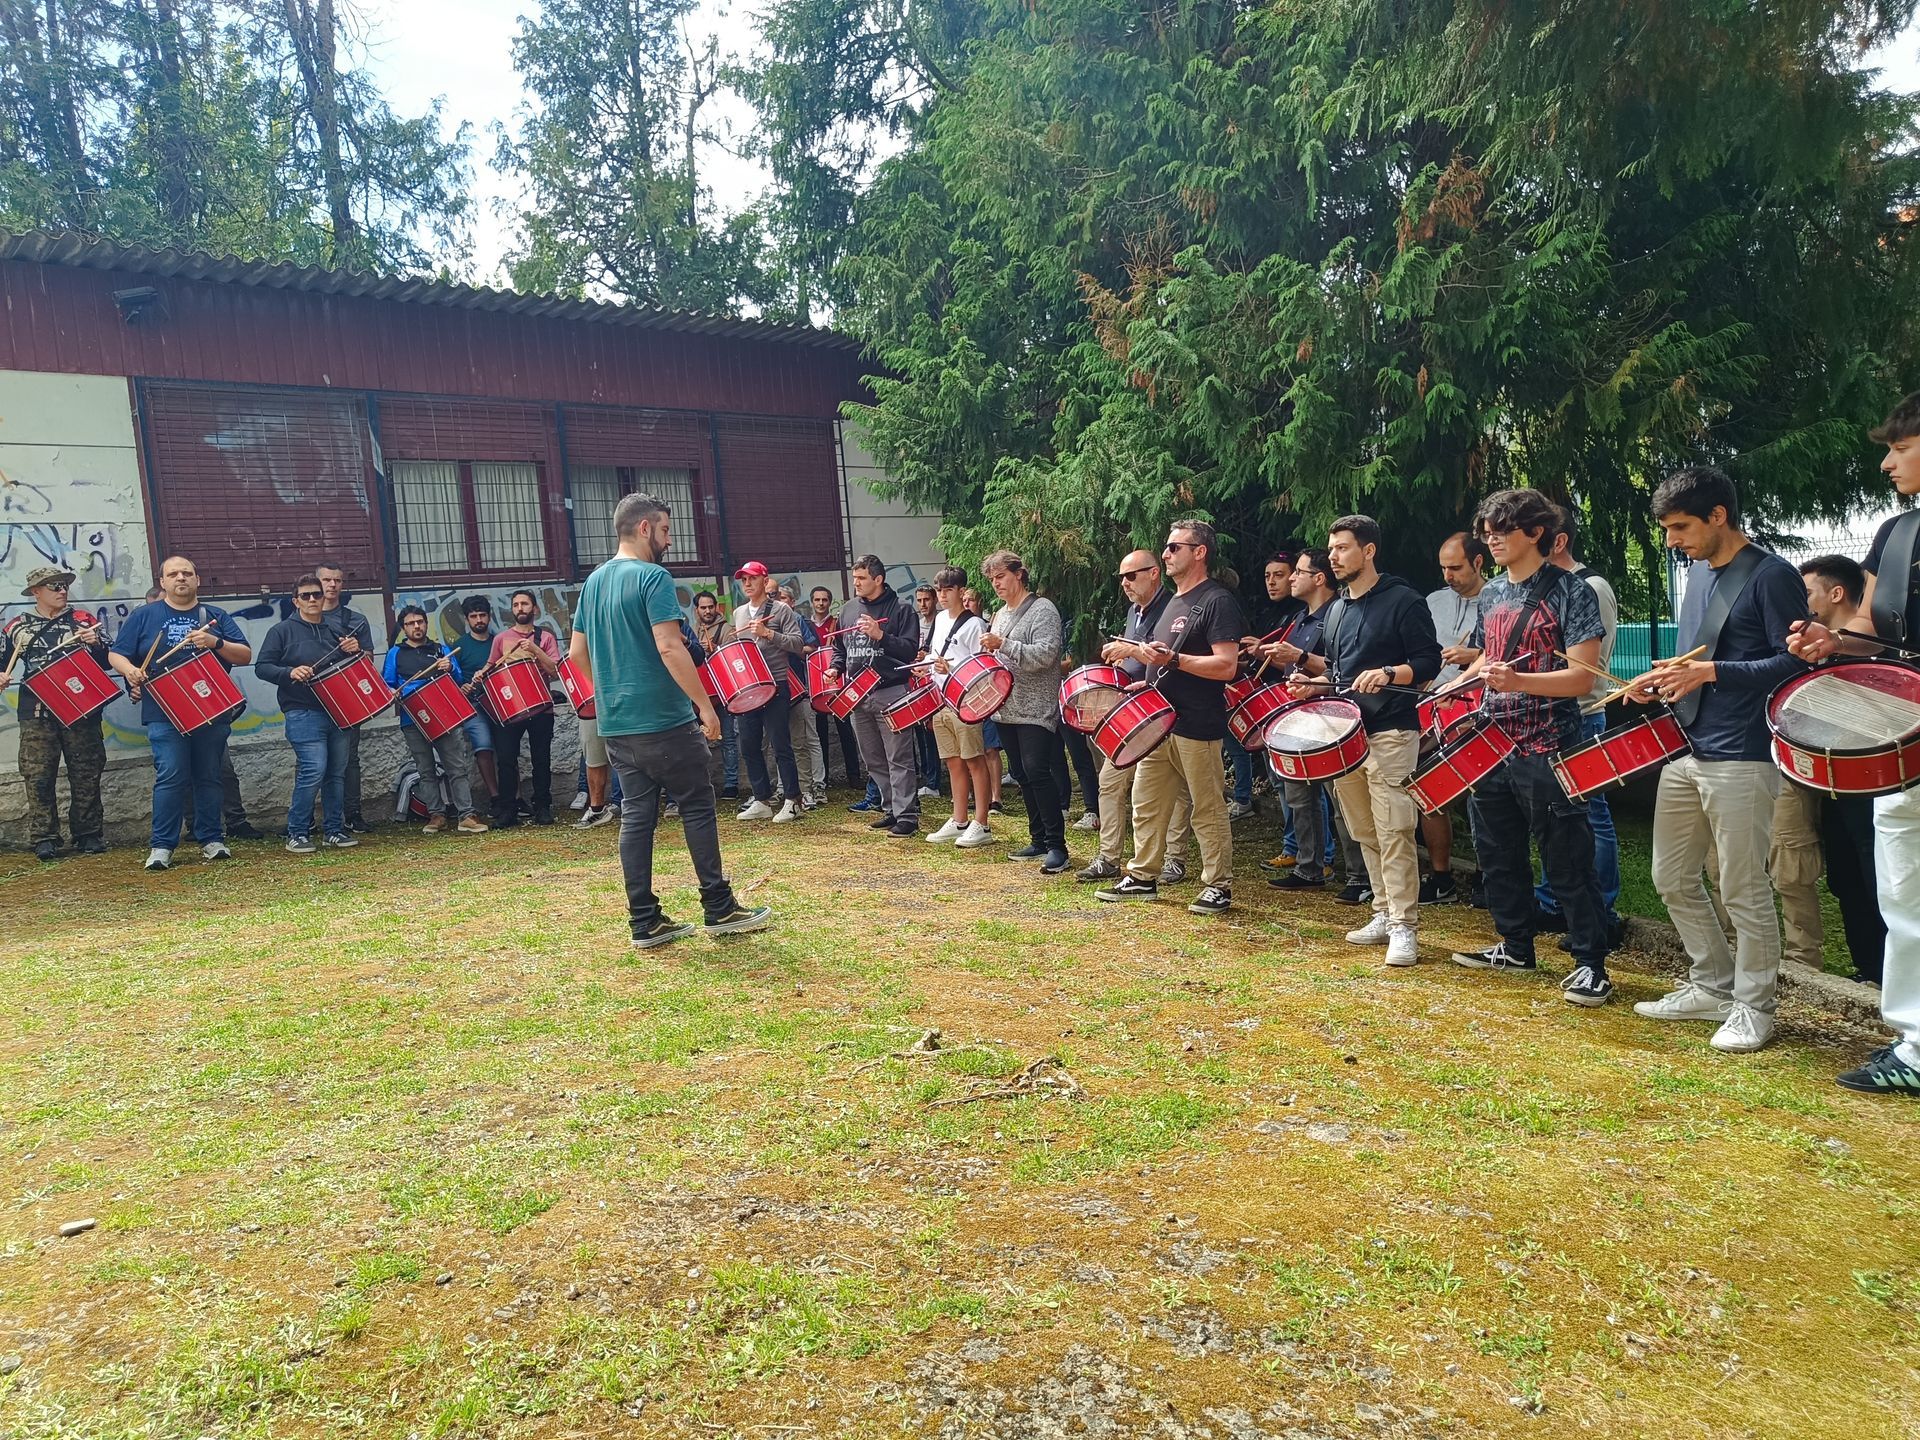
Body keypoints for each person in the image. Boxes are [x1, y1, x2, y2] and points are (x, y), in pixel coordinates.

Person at [1628, 467, 1807, 1053]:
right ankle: (1712, 984)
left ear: (1718, 516)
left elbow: (1796, 664)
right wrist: (1662, 680)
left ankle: (1754, 1007)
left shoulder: (1772, 575)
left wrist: (1710, 672)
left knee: (1742, 888)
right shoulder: (1699, 574)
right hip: (1685, 746)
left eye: (1681, 527)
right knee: (1671, 877)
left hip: (1743, 755)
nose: (1672, 541)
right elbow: (1695, 664)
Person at [1788, 391, 1920, 1092]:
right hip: (1900, 739)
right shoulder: (1896, 533)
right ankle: (1915, 1045)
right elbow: (1872, 627)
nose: (1887, 462)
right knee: (1903, 891)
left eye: (1901, 447)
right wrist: (1832, 641)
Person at [570, 491, 770, 948]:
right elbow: (669, 646)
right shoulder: (653, 577)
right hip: (663, 720)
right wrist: (705, 705)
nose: (669, 539)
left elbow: (577, 653)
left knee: (636, 817)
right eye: (664, 529)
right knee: (697, 806)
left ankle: (644, 920)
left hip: (618, 724)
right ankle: (718, 907)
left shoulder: (593, 582)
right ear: (644, 528)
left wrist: (612, 690)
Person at [1440, 490, 1613, 1006]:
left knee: (1567, 858)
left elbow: (1583, 678)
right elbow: (1489, 656)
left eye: (1502, 531)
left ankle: (1591, 964)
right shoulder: (1493, 592)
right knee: (1496, 851)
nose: (1490, 540)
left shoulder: (1572, 591)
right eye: (1487, 532)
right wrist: (1455, 685)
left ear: (1536, 532)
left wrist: (1518, 682)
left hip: (1550, 743)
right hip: (1492, 742)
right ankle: (1515, 945)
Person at [1286, 515, 1442, 966]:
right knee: (1364, 830)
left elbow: (1428, 662)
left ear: (1368, 551)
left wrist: (1390, 673)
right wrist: (1311, 686)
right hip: (1345, 736)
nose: (1333, 557)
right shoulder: (1336, 609)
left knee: (1394, 828)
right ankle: (1383, 911)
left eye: (1342, 548)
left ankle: (1405, 926)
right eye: (1331, 548)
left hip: (1392, 729)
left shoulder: (1404, 600)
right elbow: (1338, 674)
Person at [1096, 519, 1245, 914]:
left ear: (1200, 552)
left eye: (1175, 547)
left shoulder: (1216, 600)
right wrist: (1146, 683)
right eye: (1165, 547)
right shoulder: (1173, 603)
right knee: (1146, 802)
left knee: (1207, 808)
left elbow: (1226, 665)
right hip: (1158, 723)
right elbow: (1161, 662)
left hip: (1197, 724)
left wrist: (1174, 660)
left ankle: (1218, 885)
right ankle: (1143, 876)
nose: (1166, 554)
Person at [109, 555, 252, 871]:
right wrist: (131, 671)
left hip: (210, 708)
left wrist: (214, 642)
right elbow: (116, 654)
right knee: (171, 775)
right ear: (163, 582)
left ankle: (211, 839)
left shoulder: (214, 616)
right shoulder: (144, 615)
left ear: (197, 580)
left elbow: (244, 655)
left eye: (187, 573)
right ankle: (162, 845)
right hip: (164, 711)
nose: (181, 578)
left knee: (209, 775)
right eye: (173, 574)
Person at [1786, 555, 1883, 981]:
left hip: (1874, 783)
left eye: (1808, 592)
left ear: (1837, 593)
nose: (1801, 603)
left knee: (1877, 871)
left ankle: (1891, 970)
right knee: (1845, 876)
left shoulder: (1879, 658)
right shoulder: (1817, 654)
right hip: (1830, 784)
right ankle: (1868, 968)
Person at [1533, 510, 1624, 944]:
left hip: (1583, 715)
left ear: (1558, 541)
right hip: (1549, 718)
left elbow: (1591, 664)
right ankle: (1554, 902)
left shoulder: (1591, 586)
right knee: (1556, 815)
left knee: (1592, 814)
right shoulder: (1544, 587)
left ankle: (1601, 909)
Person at [1077, 549, 1191, 886]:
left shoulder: (1174, 607)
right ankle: (1109, 858)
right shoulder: (1134, 611)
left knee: (1176, 791)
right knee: (1110, 781)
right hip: (1132, 710)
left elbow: (1170, 657)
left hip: (1166, 710)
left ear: (1154, 573)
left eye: (1131, 576)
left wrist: (1131, 651)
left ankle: (1174, 859)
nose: (1125, 583)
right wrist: (1123, 662)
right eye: (1121, 578)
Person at [1, 565, 109, 860]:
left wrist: (96, 643)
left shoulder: (83, 620)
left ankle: (88, 834)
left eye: (64, 585)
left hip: (81, 707)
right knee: (38, 775)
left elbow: (108, 661)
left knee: (87, 772)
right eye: (54, 586)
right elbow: (2, 663)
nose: (62, 591)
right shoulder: (17, 627)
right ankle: (44, 838)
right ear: (36, 592)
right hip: (38, 711)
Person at [254, 573, 362, 853]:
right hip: (302, 711)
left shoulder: (336, 629)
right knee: (313, 770)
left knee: (336, 773)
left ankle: (334, 831)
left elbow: (352, 668)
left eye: (317, 594)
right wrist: (290, 672)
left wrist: (355, 650)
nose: (313, 599)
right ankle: (297, 833)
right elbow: (262, 667)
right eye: (306, 595)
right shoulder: (281, 631)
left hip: (339, 711)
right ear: (296, 601)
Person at [977, 550, 1068, 871]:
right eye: (992, 579)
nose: (996, 583)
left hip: (1036, 708)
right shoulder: (1000, 614)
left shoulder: (1043, 609)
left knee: (1038, 772)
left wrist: (1003, 644)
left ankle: (1057, 846)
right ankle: (1038, 839)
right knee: (1021, 774)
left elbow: (1046, 655)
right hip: (1005, 708)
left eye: (1000, 576)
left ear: (1019, 574)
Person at [1261, 548, 1343, 895]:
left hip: (1328, 718)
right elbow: (1293, 665)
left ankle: (1353, 874)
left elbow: (1341, 668)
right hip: (1294, 716)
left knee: (1337, 798)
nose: (1292, 577)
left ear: (1319, 578)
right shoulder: (1299, 617)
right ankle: (1309, 868)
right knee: (1298, 795)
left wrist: (1299, 656)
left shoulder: (1339, 612)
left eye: (1298, 572)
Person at [1417, 531, 1490, 904]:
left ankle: (1487, 874)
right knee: (1429, 790)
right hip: (1434, 706)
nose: (1448, 576)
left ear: (1478, 562)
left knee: (1483, 794)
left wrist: (1472, 656)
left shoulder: (1497, 598)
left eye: (1456, 568)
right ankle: (1441, 876)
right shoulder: (1433, 601)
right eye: (1444, 568)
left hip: (1479, 709)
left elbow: (1504, 653)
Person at [830, 555, 923, 835]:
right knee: (873, 758)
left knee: (899, 757)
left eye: (861, 578)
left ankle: (907, 816)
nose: (856, 583)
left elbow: (909, 650)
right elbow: (839, 647)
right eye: (854, 578)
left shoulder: (901, 609)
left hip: (890, 691)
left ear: (878, 579)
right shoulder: (848, 609)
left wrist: (881, 635)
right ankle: (891, 808)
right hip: (857, 694)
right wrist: (835, 668)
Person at [383, 604, 487, 835]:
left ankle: (466, 815)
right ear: (404, 628)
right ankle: (436, 815)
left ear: (426, 623)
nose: (416, 626)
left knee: (456, 766)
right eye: (410, 623)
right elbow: (388, 684)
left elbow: (458, 681)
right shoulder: (395, 653)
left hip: (444, 715)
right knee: (425, 769)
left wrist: (450, 668)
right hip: (413, 718)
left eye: (420, 622)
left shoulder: (441, 649)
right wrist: (393, 692)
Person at [921, 566, 995, 847]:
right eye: (938, 590)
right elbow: (935, 654)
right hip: (941, 698)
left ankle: (982, 822)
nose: (942, 595)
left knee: (974, 759)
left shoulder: (975, 625)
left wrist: (949, 669)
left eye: (948, 590)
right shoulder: (940, 619)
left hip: (965, 701)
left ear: (961, 592)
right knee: (952, 760)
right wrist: (926, 665)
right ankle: (959, 818)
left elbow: (980, 668)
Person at [730, 562, 808, 823]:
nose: (747, 584)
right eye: (743, 580)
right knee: (749, 745)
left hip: (775, 684)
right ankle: (761, 799)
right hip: (749, 688)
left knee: (780, 744)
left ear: (765, 580)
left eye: (752, 578)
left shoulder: (781, 609)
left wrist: (769, 634)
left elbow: (797, 644)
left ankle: (793, 799)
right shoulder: (739, 613)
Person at [487, 590, 563, 828]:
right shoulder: (501, 639)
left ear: (534, 609)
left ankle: (543, 807)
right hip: (510, 709)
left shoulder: (546, 637)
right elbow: (491, 667)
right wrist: (481, 673)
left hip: (541, 708)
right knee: (506, 759)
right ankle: (508, 810)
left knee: (541, 759)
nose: (520, 608)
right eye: (516, 604)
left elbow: (555, 671)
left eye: (525, 604)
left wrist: (535, 650)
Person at [314, 560, 376, 831]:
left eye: (337, 580)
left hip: (349, 701)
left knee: (350, 760)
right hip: (312, 701)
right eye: (326, 580)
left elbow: (369, 661)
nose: (332, 585)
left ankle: (352, 814)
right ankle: (306, 820)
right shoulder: (303, 619)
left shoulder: (356, 620)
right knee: (311, 762)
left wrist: (357, 650)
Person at [448, 595, 501, 811]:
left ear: (489, 616)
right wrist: (462, 687)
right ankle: (495, 797)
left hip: (499, 703)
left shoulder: (498, 642)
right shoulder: (459, 647)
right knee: (483, 747)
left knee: (508, 749)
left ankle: (515, 798)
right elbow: (452, 680)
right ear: (466, 619)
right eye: (473, 616)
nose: (479, 620)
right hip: (473, 706)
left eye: (482, 615)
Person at [807, 585, 862, 790]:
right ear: (812, 602)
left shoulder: (837, 623)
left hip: (838, 683)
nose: (821, 603)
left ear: (830, 602)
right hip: (815, 685)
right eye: (817, 600)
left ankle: (854, 776)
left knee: (845, 731)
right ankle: (824, 778)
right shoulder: (806, 625)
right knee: (819, 734)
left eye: (824, 600)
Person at [779, 584, 826, 808]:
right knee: (781, 741)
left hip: (801, 687)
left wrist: (789, 646)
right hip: (777, 688)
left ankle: (816, 785)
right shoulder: (765, 620)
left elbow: (813, 647)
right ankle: (784, 787)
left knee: (807, 739)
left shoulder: (798, 619)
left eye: (783, 598)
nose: (779, 602)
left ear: (792, 602)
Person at [690, 590, 739, 799]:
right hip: (699, 695)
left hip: (722, 693)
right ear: (697, 610)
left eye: (711, 607)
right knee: (695, 742)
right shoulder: (691, 630)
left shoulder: (727, 629)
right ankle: (699, 784)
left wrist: (715, 648)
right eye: (703, 608)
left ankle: (731, 784)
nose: (708, 611)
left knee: (728, 740)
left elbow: (734, 656)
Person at [911, 583, 943, 799]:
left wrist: (927, 655)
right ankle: (927, 776)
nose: (923, 604)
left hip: (935, 681)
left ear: (935, 600)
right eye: (919, 600)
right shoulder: (915, 623)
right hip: (917, 680)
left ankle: (934, 781)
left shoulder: (941, 622)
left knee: (933, 733)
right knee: (921, 732)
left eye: (927, 599)